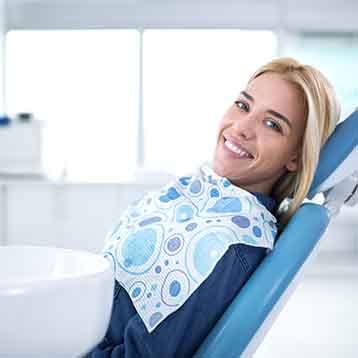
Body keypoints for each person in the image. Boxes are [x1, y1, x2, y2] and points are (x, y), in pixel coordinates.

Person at [85, 57, 340, 357]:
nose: (242, 128)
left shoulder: (226, 245)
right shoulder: (201, 197)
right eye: (243, 106)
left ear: (296, 157)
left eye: (272, 124)